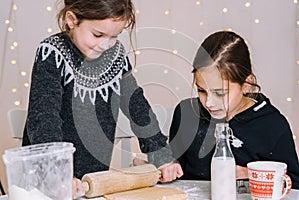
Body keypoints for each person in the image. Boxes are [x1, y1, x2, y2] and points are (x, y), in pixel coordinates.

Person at [22, 0, 183, 198]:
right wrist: (57, 171)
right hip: (46, 183)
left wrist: (161, 155)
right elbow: (44, 118)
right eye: (98, 35)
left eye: (114, 36)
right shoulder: (51, 53)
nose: (106, 44)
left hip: (93, 180)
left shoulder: (115, 56)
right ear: (72, 20)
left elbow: (137, 106)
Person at [169, 30, 299, 189]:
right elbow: (175, 172)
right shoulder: (185, 113)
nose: (209, 102)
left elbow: (295, 185)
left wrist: (249, 173)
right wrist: (162, 167)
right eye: (201, 90)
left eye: (220, 93)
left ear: (247, 84)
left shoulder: (272, 125)